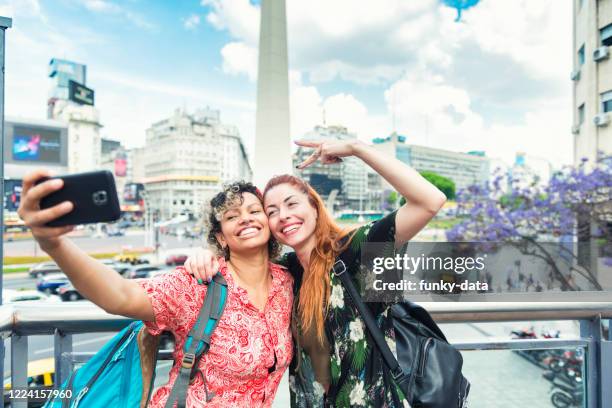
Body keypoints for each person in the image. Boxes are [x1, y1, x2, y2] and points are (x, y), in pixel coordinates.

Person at [186, 139, 447, 407]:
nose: (284, 216)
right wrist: (208, 256)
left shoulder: (357, 251)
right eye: (272, 211)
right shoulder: (287, 272)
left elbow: (430, 201)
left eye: (291, 204)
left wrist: (357, 149)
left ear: (313, 206)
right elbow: (240, 265)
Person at [18, 173, 293, 407]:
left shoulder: (287, 282)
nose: (245, 219)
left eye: (254, 211)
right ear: (221, 236)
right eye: (232, 216)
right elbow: (121, 296)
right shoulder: (197, 284)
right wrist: (52, 244)